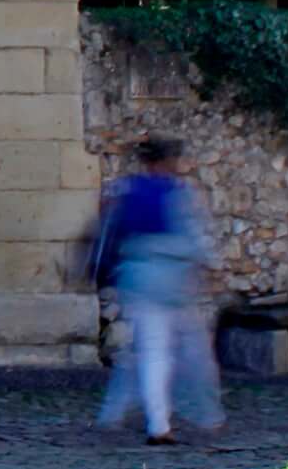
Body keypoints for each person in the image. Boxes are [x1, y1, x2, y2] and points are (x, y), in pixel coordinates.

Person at [94, 135, 222, 447]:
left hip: (137, 277)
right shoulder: (176, 193)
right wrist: (209, 263)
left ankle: (154, 421)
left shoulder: (125, 191)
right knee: (192, 350)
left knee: (150, 351)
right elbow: (191, 234)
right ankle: (205, 413)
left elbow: (111, 230)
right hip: (172, 278)